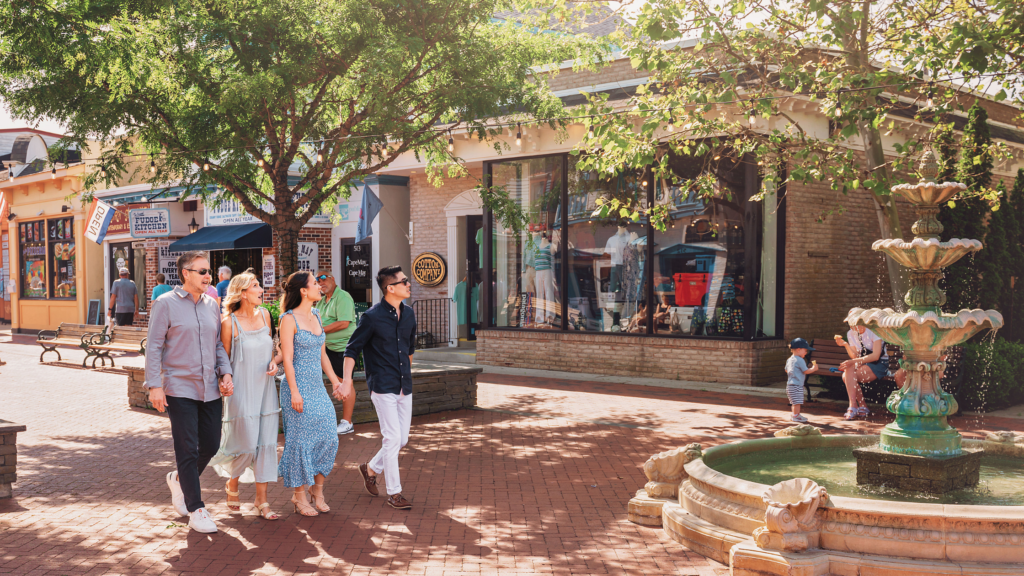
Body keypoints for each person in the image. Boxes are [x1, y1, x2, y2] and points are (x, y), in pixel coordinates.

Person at [145, 251, 233, 534]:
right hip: (178, 387)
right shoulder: (165, 304)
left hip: (209, 387)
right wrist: (154, 385)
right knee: (186, 446)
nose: (208, 276)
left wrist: (226, 372)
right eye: (203, 271)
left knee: (211, 444)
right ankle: (196, 509)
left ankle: (180, 480)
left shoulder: (211, 305)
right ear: (185, 273)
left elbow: (218, 344)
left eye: (210, 271)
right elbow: (154, 347)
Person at [343, 266, 417, 510]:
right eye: (404, 281)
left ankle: (371, 468)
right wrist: (346, 381)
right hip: (382, 386)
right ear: (390, 288)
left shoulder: (409, 314)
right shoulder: (371, 317)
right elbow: (351, 350)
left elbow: (409, 351)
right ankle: (394, 493)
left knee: (402, 439)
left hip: (404, 385)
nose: (409, 284)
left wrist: (407, 373)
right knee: (392, 438)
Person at [209, 271, 282, 520]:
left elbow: (271, 347)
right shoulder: (229, 323)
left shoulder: (265, 315)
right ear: (242, 293)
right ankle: (233, 482)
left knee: (265, 444)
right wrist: (224, 381)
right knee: (247, 443)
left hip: (265, 389)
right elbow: (223, 358)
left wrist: (274, 361)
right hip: (241, 390)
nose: (261, 289)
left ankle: (262, 501)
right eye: (255, 285)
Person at [278, 271, 350, 517]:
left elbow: (322, 355)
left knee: (329, 436)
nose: (320, 287)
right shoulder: (288, 319)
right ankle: (299, 496)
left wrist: (335, 382)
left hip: (317, 387)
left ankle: (317, 491)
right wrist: (295, 392)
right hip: (296, 388)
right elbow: (286, 360)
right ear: (303, 291)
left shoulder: (317, 314)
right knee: (300, 441)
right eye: (314, 284)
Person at [314, 271, 358, 435]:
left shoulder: (343, 297)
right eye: (318, 280)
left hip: (342, 348)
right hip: (325, 348)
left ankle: (347, 422)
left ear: (333, 278)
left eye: (324, 278)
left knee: (345, 382)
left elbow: (344, 323)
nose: (321, 282)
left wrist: (319, 330)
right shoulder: (322, 300)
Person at [835, 324, 906, 421]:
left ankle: (860, 406)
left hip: (879, 364)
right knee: (847, 372)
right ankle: (854, 405)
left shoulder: (874, 331)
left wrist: (854, 362)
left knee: (847, 376)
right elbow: (855, 357)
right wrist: (846, 345)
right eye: (849, 324)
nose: (851, 327)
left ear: (860, 322)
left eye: (854, 323)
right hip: (863, 362)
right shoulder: (850, 333)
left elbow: (876, 356)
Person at [785, 338, 819, 422]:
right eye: (805, 350)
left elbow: (786, 370)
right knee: (797, 402)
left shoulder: (789, 359)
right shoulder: (800, 360)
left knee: (795, 402)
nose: (806, 352)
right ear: (798, 349)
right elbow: (806, 371)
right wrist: (813, 369)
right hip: (797, 385)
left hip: (790, 385)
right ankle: (796, 416)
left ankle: (794, 414)